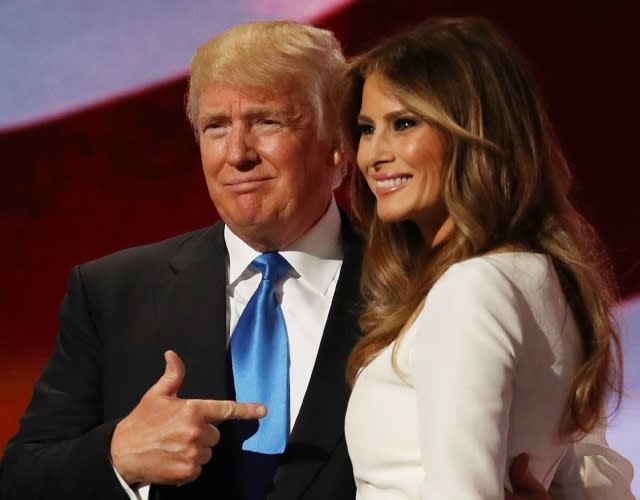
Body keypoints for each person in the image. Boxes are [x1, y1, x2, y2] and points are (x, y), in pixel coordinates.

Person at [0, 19, 633, 500]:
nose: (238, 152)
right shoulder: (112, 290)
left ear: (337, 147)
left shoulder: (424, 283)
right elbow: (22, 474)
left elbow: (568, 446)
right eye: (216, 126)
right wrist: (117, 455)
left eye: (268, 121)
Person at [341, 16, 634, 500]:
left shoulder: (473, 287)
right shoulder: (540, 275)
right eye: (367, 129)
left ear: (472, 131)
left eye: (404, 124)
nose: (373, 154)